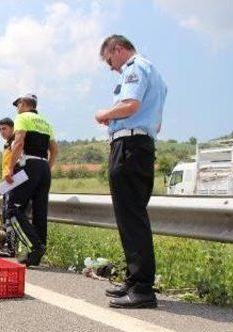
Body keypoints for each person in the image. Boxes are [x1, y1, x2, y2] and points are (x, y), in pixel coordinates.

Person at [95, 35, 167, 309]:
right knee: (132, 216)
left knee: (131, 218)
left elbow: (130, 106)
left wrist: (105, 114)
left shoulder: (135, 67)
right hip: (142, 145)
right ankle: (134, 280)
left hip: (129, 147)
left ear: (117, 49)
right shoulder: (156, 75)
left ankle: (142, 289)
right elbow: (156, 123)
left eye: (109, 60)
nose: (112, 67)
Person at [5, 94, 58, 266]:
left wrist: (10, 168)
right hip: (43, 167)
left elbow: (19, 143)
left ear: (23, 104)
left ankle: (35, 245)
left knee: (13, 209)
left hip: (29, 164)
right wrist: (46, 168)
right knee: (39, 212)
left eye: (17, 105)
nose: (17, 108)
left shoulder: (22, 117)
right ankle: (36, 255)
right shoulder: (46, 122)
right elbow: (55, 150)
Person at [0, 117, 17, 257]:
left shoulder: (15, 142)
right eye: (0, 129)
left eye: (4, 129)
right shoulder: (7, 144)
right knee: (5, 214)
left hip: (14, 183)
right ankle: (8, 246)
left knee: (9, 215)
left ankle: (11, 248)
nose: (2, 132)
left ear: (12, 128)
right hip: (7, 184)